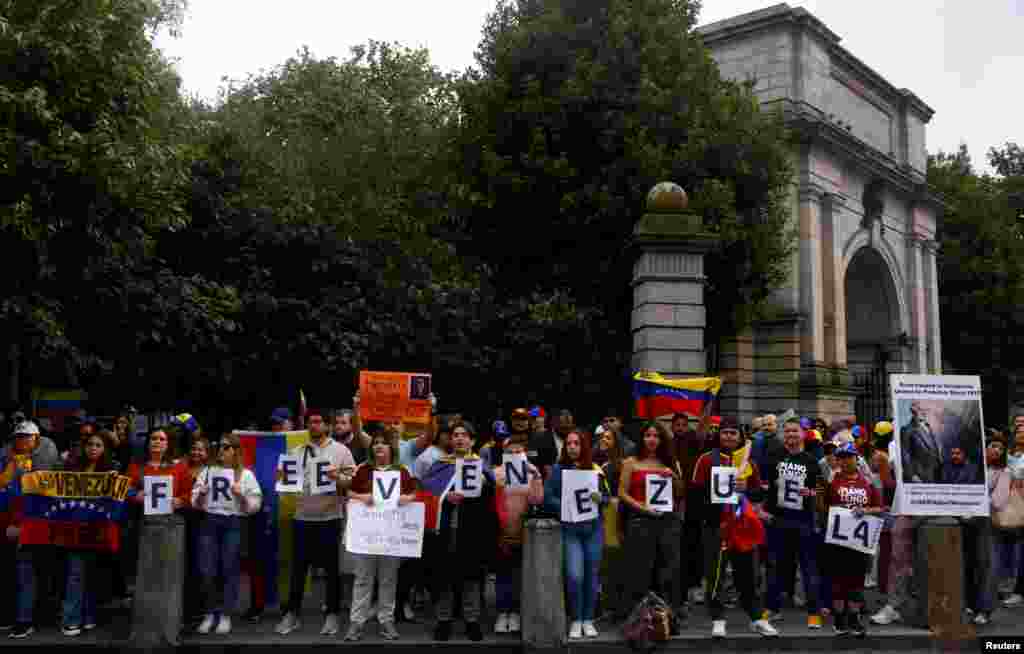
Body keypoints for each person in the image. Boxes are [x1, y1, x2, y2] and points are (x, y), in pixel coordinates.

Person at [690, 416, 776, 639]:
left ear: (740, 436)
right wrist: (711, 518)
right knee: (716, 574)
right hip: (717, 526)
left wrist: (746, 487)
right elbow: (696, 494)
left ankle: (756, 618)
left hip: (743, 525)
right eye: (725, 432)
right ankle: (718, 619)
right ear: (719, 435)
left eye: (733, 433)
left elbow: (758, 494)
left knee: (748, 573)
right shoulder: (706, 460)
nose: (728, 436)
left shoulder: (749, 464)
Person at [274, 409, 356, 637]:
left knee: (332, 570)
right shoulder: (296, 451)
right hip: (302, 518)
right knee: (298, 569)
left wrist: (337, 478)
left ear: (328, 426)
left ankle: (332, 614)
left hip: (330, 517)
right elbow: (286, 484)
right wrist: (281, 480)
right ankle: (292, 614)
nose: (314, 425)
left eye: (319, 421)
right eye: (311, 422)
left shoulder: (341, 451)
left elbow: (353, 482)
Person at [421, 420, 498, 642]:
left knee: (471, 577)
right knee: (444, 575)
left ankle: (472, 621)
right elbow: (428, 493)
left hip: (472, 531)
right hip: (445, 530)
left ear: (473, 440)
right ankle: (443, 621)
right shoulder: (440, 465)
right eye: (456, 434)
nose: (460, 438)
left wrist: (484, 486)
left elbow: (493, 497)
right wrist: (446, 497)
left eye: (465, 435)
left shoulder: (481, 466)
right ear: (450, 439)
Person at [343, 430, 417, 641]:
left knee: (388, 579)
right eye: (375, 443)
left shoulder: (402, 470)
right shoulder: (363, 470)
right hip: (367, 534)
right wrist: (361, 496)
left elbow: (414, 494)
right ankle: (356, 623)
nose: (379, 446)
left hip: (391, 535)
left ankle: (387, 621)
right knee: (363, 579)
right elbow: (347, 492)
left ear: (391, 448)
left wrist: (407, 498)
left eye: (383, 443)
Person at [192, 433, 263, 635]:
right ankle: (209, 613)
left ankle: (225, 614)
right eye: (220, 447)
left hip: (234, 522)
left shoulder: (245, 475)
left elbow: (254, 506)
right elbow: (194, 503)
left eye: (226, 447)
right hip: (209, 522)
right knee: (207, 569)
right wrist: (201, 495)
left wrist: (242, 497)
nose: (221, 451)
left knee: (229, 568)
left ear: (235, 451)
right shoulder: (207, 472)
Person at [618, 421, 686, 624]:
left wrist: (673, 476)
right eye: (648, 435)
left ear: (662, 440)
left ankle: (667, 615)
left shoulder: (671, 463)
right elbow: (622, 492)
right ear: (642, 438)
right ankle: (637, 616)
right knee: (640, 569)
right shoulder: (630, 462)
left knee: (668, 569)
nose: (652, 439)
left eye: (656, 436)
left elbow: (681, 493)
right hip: (640, 521)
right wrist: (642, 507)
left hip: (667, 522)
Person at [544, 429, 609, 639]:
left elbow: (608, 498)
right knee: (574, 575)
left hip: (593, 529)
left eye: (577, 443)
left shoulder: (595, 469)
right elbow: (548, 498)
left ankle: (588, 619)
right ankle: (576, 618)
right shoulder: (557, 469)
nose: (572, 447)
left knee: (591, 575)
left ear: (584, 446)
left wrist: (601, 498)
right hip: (570, 529)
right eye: (569, 443)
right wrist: (565, 505)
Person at [760, 417, 822, 628]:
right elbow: (765, 486)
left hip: (803, 520)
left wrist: (810, 492)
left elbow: (819, 491)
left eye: (795, 431)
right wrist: (765, 509)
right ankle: (772, 607)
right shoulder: (774, 457)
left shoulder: (811, 461)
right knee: (775, 565)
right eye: (787, 432)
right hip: (779, 519)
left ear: (803, 434)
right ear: (782, 434)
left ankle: (813, 611)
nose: (791, 435)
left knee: (808, 567)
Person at [4, 421, 62, 638]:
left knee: (46, 569)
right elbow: (7, 494)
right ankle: (23, 619)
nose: (22, 440)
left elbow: (53, 491)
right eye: (19, 436)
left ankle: (41, 615)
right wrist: (15, 523)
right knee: (22, 570)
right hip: (19, 523)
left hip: (47, 522)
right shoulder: (7, 458)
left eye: (26, 436)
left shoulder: (49, 455)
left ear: (36, 438)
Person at [59, 430, 118, 636]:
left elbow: (118, 499)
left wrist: (115, 482)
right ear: (84, 447)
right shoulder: (72, 467)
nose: (93, 448)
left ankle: (88, 616)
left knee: (92, 574)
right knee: (75, 574)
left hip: (98, 528)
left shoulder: (113, 470)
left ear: (105, 449)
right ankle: (71, 619)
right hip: (75, 528)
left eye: (98, 445)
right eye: (90, 444)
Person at [824, 441, 882, 637]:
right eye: (841, 457)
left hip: (859, 539)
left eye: (849, 456)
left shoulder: (867, 481)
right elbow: (822, 506)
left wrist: (864, 510)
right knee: (838, 579)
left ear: (856, 458)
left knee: (857, 579)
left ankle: (855, 617)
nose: (845, 460)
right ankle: (840, 618)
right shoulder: (832, 480)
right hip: (837, 537)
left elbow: (880, 508)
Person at [491, 425, 543, 635]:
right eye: (510, 452)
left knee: (520, 574)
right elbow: (490, 502)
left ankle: (517, 613)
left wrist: (537, 476)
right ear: (504, 455)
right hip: (502, 531)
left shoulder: (532, 473)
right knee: (503, 574)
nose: (514, 455)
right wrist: (498, 484)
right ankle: (503, 612)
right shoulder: (496, 473)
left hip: (524, 532)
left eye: (518, 452)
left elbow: (537, 500)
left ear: (524, 453)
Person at [180, 437, 211, 628]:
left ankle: (200, 610)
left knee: (200, 566)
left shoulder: (212, 472)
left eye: (201, 450)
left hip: (204, 522)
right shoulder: (181, 468)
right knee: (185, 565)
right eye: (194, 449)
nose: (197, 452)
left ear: (207, 453)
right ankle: (184, 610)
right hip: (183, 520)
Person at [900, 401, 943, 483]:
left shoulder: (929, 426)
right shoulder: (907, 429)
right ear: (913, 410)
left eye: (926, 409)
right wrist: (912, 475)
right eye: (920, 409)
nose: (924, 411)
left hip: (936, 473)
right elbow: (905, 454)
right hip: (921, 475)